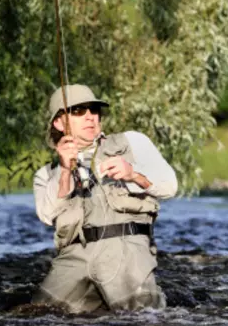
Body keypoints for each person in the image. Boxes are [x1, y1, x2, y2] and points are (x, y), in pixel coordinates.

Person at [32, 84, 178, 313]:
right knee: (37, 316)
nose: (90, 117)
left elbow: (170, 186)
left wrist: (133, 174)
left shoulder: (133, 142)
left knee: (144, 322)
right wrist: (64, 171)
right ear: (59, 123)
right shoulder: (45, 174)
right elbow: (46, 214)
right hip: (74, 257)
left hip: (126, 250)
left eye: (94, 110)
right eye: (78, 111)